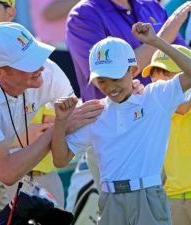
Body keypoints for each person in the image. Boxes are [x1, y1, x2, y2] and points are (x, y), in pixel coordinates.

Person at [51, 22, 191, 224]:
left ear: (133, 70)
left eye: (116, 77)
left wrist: (155, 41)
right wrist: (60, 122)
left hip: (148, 197)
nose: (110, 87)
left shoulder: (155, 98)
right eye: (102, 81)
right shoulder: (96, 113)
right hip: (110, 201)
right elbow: (61, 160)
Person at [0, 22, 104, 225]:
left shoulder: (47, 71)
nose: (40, 65)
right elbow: (7, 172)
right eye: (27, 62)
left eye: (37, 54)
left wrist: (126, 95)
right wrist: (58, 127)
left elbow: (78, 121)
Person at [66, 0, 190, 102]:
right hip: (114, 124)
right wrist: (163, 37)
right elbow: (106, 75)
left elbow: (185, 59)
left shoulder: (151, 6)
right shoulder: (83, 15)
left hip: (165, 116)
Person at [141, 45, 191, 225]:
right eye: (154, 75)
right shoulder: (151, 116)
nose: (158, 83)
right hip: (171, 202)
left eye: (167, 74)